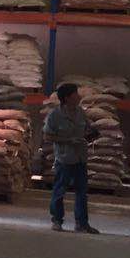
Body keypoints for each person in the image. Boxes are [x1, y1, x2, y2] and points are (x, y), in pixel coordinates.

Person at [42, 82, 101, 234]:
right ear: (67, 97)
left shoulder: (80, 112)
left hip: (80, 158)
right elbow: (47, 136)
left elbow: (87, 128)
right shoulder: (55, 115)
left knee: (82, 192)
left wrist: (92, 134)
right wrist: (68, 140)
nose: (79, 96)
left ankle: (82, 224)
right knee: (59, 190)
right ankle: (57, 220)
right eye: (76, 94)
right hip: (65, 159)